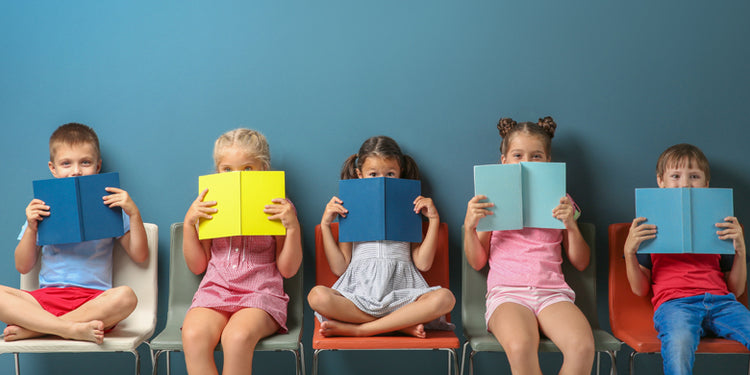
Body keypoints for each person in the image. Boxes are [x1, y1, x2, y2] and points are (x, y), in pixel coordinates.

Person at [464, 117, 595, 375]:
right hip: (507, 294)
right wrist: (470, 227)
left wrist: (571, 224)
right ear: (504, 161)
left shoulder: (563, 200)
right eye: (517, 155)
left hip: (553, 293)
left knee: (582, 347)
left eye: (536, 156)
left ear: (548, 161)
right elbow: (477, 261)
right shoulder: (489, 201)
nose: (526, 161)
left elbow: (581, 261)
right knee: (521, 346)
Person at [0, 123, 149, 344]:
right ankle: (68, 328)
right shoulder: (42, 208)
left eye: (85, 162)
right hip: (45, 301)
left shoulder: (111, 206)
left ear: (98, 166)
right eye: (66, 163)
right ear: (53, 168)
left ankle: (39, 330)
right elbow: (23, 266)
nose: (76, 170)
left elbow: (140, 255)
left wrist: (134, 213)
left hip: (93, 302)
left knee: (127, 296)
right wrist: (32, 227)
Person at [307, 135, 455, 338]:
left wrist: (434, 219)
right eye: (373, 174)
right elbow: (340, 267)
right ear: (359, 174)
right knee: (317, 296)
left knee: (445, 298)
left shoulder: (409, 205)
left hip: (402, 293)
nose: (382, 180)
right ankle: (400, 325)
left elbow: (423, 263)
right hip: (360, 292)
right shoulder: (350, 207)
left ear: (400, 173)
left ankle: (361, 329)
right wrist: (325, 224)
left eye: (390, 174)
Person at [181, 128, 302, 375]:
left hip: (261, 295)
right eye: (227, 169)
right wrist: (188, 224)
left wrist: (291, 227)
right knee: (193, 335)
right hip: (215, 292)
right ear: (218, 172)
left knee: (236, 338)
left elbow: (288, 270)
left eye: (247, 168)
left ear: (263, 170)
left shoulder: (279, 207)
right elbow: (197, 266)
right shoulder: (208, 205)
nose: (237, 176)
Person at [624, 143, 749, 375]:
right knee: (679, 344)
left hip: (722, 303)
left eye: (694, 176)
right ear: (661, 181)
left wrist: (741, 250)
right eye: (675, 176)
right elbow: (640, 289)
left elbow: (737, 289)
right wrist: (629, 252)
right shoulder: (649, 226)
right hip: (675, 305)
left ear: (706, 184)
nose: (685, 184)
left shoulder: (721, 222)